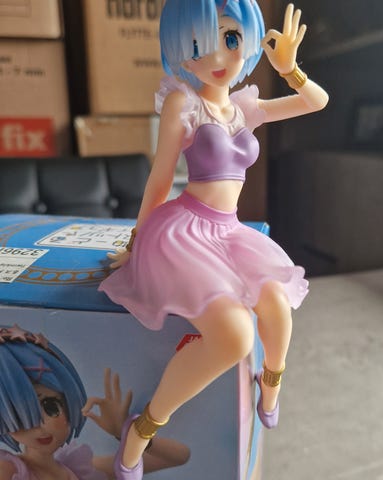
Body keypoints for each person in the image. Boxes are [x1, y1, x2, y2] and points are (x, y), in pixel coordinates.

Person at [98, 1, 329, 478]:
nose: (218, 57)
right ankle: (143, 428)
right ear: (179, 50)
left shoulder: (244, 107)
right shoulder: (184, 103)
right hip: (184, 229)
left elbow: (316, 102)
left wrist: (289, 69)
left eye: (230, 38)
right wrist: (137, 241)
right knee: (235, 335)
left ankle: (270, 386)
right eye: (198, 44)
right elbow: (161, 178)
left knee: (277, 305)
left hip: (230, 230)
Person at [0, 324, 190, 480]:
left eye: (51, 407)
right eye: (18, 416)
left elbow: (180, 456)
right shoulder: (8, 470)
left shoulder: (79, 469)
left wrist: (128, 432)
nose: (40, 426)